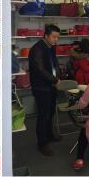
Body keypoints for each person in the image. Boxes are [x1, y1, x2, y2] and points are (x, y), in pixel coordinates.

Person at [28, 24, 61, 156]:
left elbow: (54, 62)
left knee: (51, 112)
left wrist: (58, 75)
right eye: (54, 37)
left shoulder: (51, 47)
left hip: (51, 86)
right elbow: (39, 70)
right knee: (43, 115)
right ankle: (42, 143)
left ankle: (50, 135)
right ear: (46, 36)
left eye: (57, 37)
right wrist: (55, 80)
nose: (56, 40)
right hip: (41, 87)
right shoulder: (37, 49)